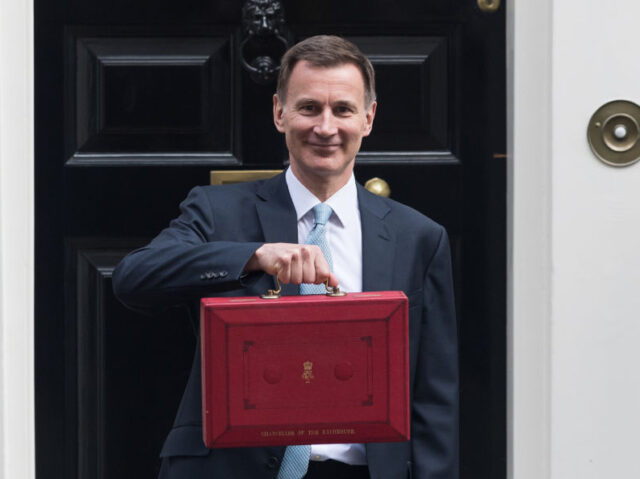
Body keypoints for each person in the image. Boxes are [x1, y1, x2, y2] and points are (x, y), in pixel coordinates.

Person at [113, 35, 458, 479]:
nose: (326, 127)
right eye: (309, 107)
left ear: (368, 118)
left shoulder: (419, 238)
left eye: (344, 110)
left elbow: (434, 397)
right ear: (280, 112)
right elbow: (133, 277)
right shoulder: (218, 211)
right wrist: (253, 256)